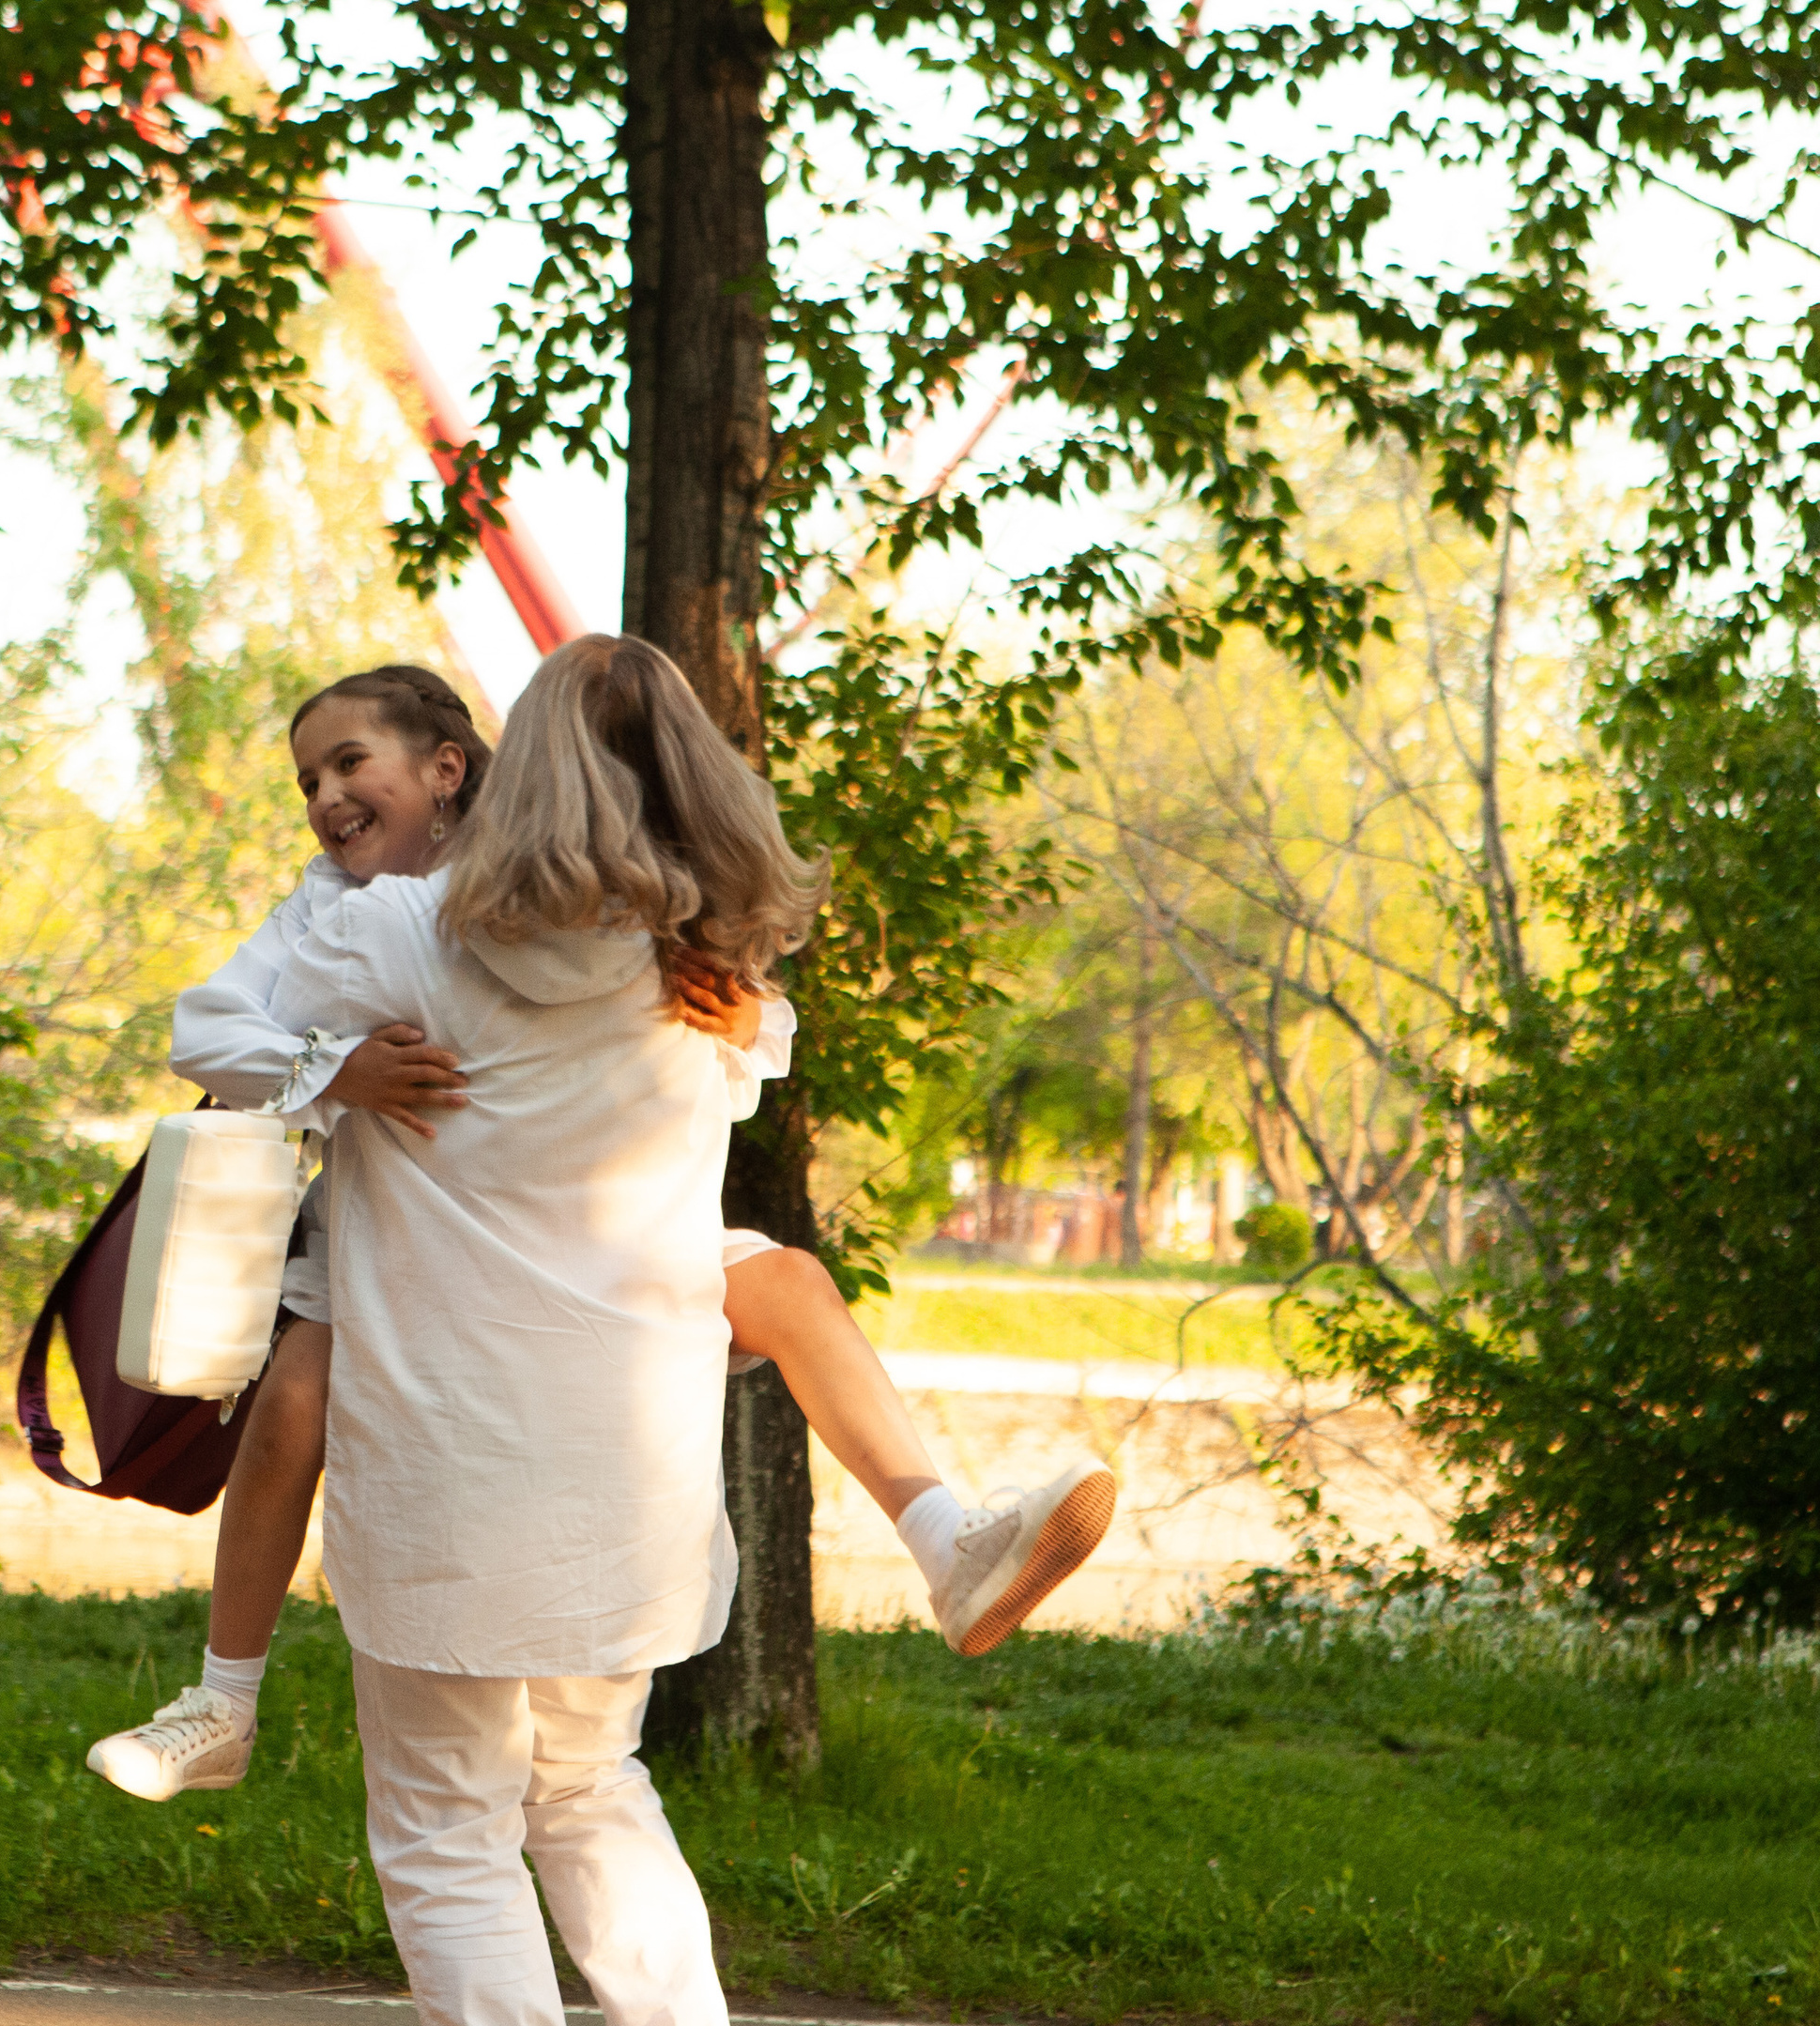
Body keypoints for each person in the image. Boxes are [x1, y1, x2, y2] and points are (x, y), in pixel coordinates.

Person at [86, 664, 1113, 1808]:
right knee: (291, 1400)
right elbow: (208, 1026)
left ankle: (943, 1538)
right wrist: (337, 1068)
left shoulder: (552, 869)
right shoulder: (332, 908)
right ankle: (224, 1697)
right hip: (402, 1251)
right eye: (307, 780)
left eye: (348, 763)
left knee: (789, 1282)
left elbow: (713, 1028)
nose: (325, 796)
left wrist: (745, 1009)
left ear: (447, 767)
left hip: (595, 1247)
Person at [263, 631, 822, 2026]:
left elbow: (216, 1031)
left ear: (502, 772)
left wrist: (326, 1069)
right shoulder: (716, 995)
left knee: (447, 1834)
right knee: (590, 1787)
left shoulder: (403, 936)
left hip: (452, 1465)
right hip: (631, 1471)